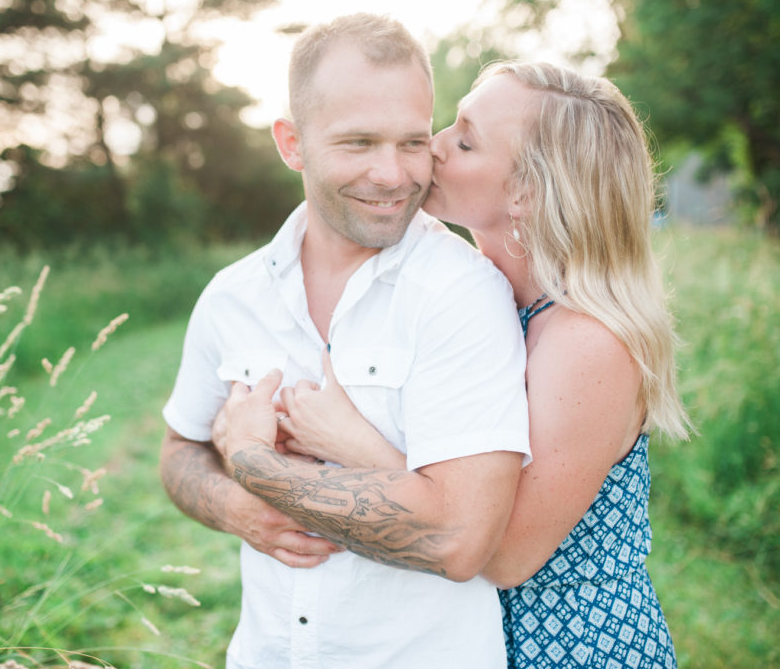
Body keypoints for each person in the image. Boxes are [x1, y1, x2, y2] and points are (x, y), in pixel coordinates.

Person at [232, 61, 691, 668]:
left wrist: (352, 441)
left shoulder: (586, 341)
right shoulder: (492, 303)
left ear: (527, 191)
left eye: (465, 140)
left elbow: (499, 552)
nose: (433, 147)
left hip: (566, 646)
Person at [158, 14, 531, 669]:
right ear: (292, 143)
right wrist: (238, 507)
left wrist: (250, 460)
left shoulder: (463, 293)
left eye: (412, 142)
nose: (392, 175)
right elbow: (180, 449)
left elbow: (460, 537)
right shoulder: (231, 295)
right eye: (358, 142)